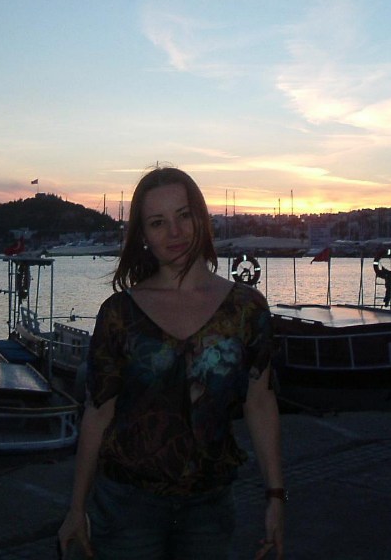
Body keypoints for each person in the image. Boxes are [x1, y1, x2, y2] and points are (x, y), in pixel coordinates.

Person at [58, 166, 285, 559]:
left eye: (184, 215)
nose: (175, 232)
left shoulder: (247, 309)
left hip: (210, 508)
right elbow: (98, 412)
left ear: (202, 218)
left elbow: (260, 402)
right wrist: (76, 509)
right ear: (143, 236)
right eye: (158, 222)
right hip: (127, 507)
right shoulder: (119, 313)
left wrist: (276, 496)